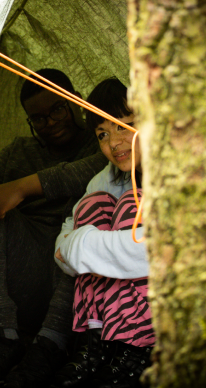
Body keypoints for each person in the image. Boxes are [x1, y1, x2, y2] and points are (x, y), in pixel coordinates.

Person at [0, 69, 108, 388]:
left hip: (78, 281)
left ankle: (51, 342)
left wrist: (20, 189)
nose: (51, 123)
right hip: (24, 265)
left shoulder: (102, 139)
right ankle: (2, 334)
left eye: (57, 110)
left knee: (93, 203)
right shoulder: (20, 151)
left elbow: (99, 169)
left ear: (75, 103)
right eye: (39, 119)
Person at [52, 79, 153, 388]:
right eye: (103, 135)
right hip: (112, 311)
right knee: (96, 205)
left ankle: (135, 345)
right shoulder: (106, 179)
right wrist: (76, 247)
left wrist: (81, 248)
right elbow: (64, 238)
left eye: (125, 127)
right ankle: (97, 340)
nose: (114, 144)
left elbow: (155, 252)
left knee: (129, 207)